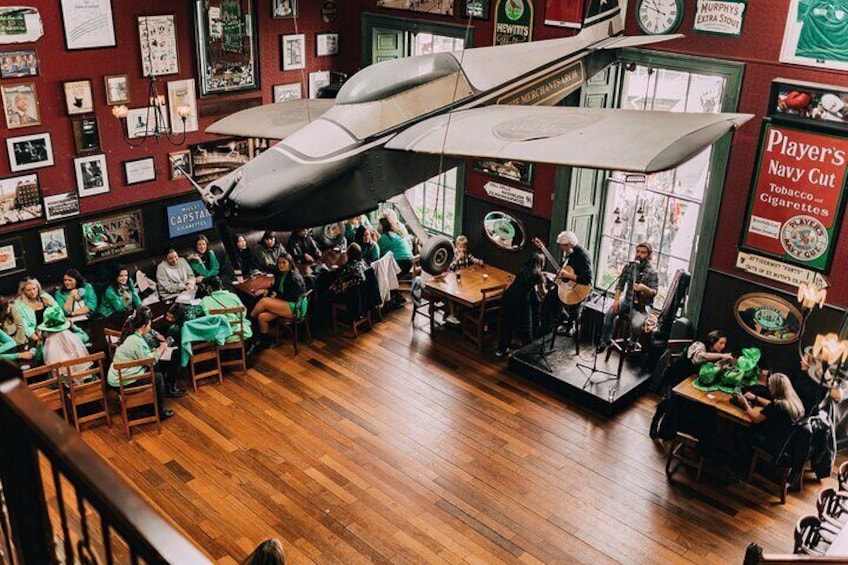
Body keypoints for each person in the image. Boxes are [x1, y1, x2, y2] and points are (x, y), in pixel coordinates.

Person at [107, 308, 175, 420]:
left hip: (116, 377)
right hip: (123, 381)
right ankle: (159, 411)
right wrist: (161, 348)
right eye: (149, 324)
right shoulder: (137, 341)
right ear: (144, 326)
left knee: (155, 370)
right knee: (158, 377)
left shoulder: (129, 335)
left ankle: (149, 403)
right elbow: (150, 362)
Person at [597, 242, 659, 353]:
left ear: (649, 255)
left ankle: (632, 342)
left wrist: (644, 288)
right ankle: (605, 341)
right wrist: (616, 300)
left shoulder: (653, 272)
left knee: (636, 324)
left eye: (643, 252)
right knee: (609, 314)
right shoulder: (629, 266)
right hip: (627, 300)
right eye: (638, 251)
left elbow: (654, 292)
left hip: (643, 305)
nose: (639, 254)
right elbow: (620, 284)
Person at [537, 231, 593, 338]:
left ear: (570, 244)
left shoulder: (583, 256)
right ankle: (550, 328)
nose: (562, 249)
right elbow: (566, 273)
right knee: (546, 302)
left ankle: (563, 325)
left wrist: (567, 275)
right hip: (567, 286)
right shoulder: (570, 254)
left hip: (579, 290)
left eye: (563, 246)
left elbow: (587, 280)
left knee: (548, 303)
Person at [248, 253, 306, 355]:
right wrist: (267, 290)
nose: (281, 265)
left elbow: (295, 296)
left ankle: (249, 321)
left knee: (263, 301)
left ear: (290, 264)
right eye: (279, 263)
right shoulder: (281, 274)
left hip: (294, 306)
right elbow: (275, 287)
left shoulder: (293, 277)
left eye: (284, 263)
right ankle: (264, 342)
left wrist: (277, 296)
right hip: (284, 304)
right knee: (262, 317)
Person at [737, 373, 806, 458]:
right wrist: (756, 397)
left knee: (741, 430)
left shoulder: (778, 405)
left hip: (773, 444)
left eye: (770, 386)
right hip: (788, 444)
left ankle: (741, 465)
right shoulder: (795, 402)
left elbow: (756, 419)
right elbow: (770, 404)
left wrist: (745, 404)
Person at [496, 252, 546, 357]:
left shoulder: (523, 268)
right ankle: (527, 352)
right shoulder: (538, 275)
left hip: (508, 296)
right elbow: (542, 293)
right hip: (521, 300)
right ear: (541, 263)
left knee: (507, 324)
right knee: (526, 326)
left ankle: (501, 350)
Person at [200, 276, 253, 343]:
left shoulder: (205, 301)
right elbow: (241, 315)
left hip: (219, 336)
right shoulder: (233, 296)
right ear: (221, 284)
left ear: (208, 288)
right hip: (238, 333)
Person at [12, 277, 57, 347]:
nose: (32, 292)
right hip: (36, 334)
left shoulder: (45, 296)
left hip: (54, 328)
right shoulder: (18, 305)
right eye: (28, 290)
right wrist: (37, 339)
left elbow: (58, 312)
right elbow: (25, 327)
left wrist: (51, 305)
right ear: (23, 291)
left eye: (34, 289)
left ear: (38, 288)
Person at [0, 298, 34, 363]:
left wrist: (18, 352)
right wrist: (17, 355)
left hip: (16, 346)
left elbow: (12, 342)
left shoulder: (13, 309)